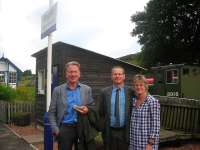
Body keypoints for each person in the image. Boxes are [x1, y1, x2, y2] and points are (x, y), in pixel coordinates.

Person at [48, 61, 98, 150]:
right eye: (70, 72)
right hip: (65, 128)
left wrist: (87, 109)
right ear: (66, 74)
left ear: (79, 74)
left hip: (82, 127)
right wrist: (56, 129)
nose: (73, 74)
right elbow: (51, 112)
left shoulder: (87, 89)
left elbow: (92, 106)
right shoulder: (57, 90)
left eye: (75, 72)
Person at [98, 66, 134, 150]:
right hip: (109, 131)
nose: (117, 76)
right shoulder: (104, 92)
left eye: (119, 74)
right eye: (115, 74)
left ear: (124, 76)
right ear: (111, 76)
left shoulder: (130, 91)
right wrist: (102, 127)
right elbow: (101, 112)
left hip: (125, 131)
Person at [129, 74, 160, 150]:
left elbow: (156, 124)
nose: (138, 87)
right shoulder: (133, 101)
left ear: (145, 86)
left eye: (141, 85)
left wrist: (150, 143)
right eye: (136, 85)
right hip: (134, 141)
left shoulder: (152, 102)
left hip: (146, 142)